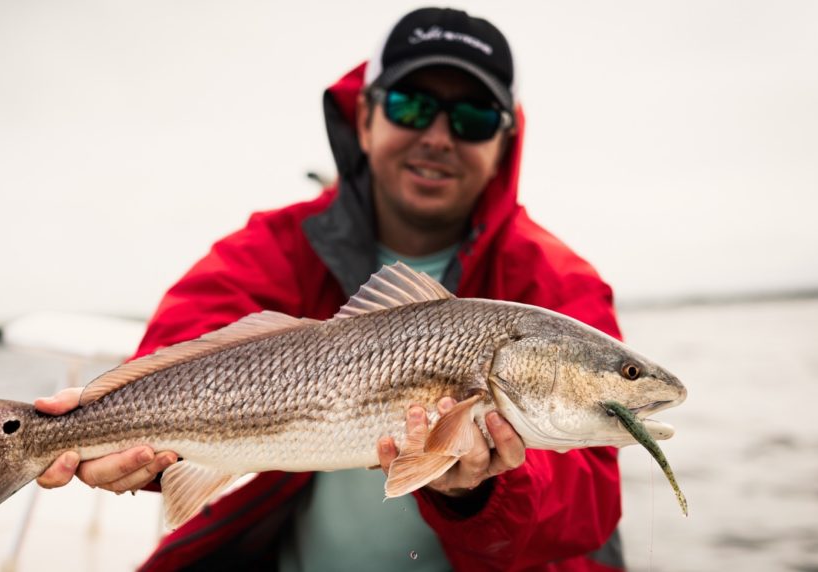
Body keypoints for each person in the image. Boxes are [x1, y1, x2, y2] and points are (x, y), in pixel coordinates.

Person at [35, 8, 626, 571]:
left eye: (472, 118)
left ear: (505, 141)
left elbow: (592, 500)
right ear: (365, 118)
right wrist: (121, 431)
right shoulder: (273, 244)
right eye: (411, 106)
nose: (440, 136)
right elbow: (189, 341)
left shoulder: (559, 282)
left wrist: (480, 490)